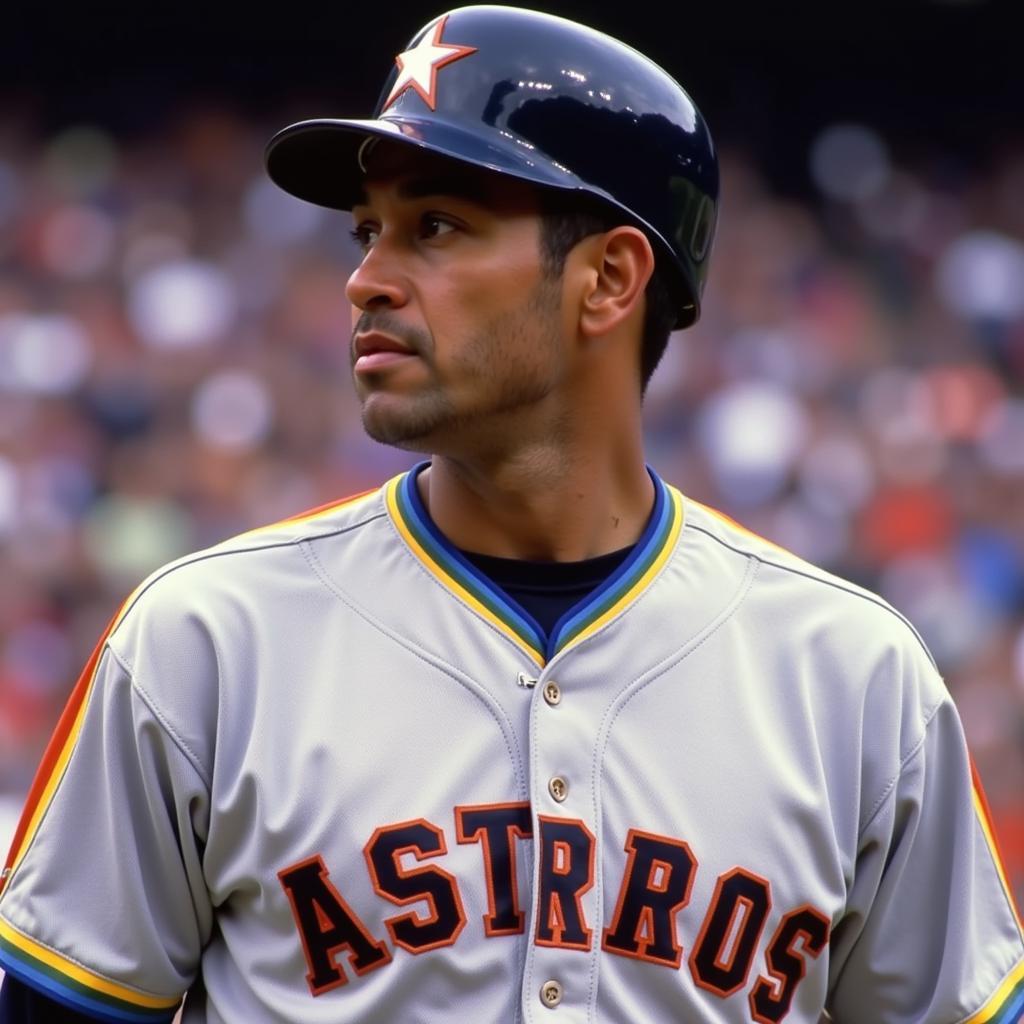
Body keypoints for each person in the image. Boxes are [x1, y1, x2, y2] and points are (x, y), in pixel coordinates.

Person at [1, 6, 1022, 1022]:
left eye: (433, 227)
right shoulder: (203, 642)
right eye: (367, 231)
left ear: (609, 279)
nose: (365, 280)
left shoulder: (855, 678)